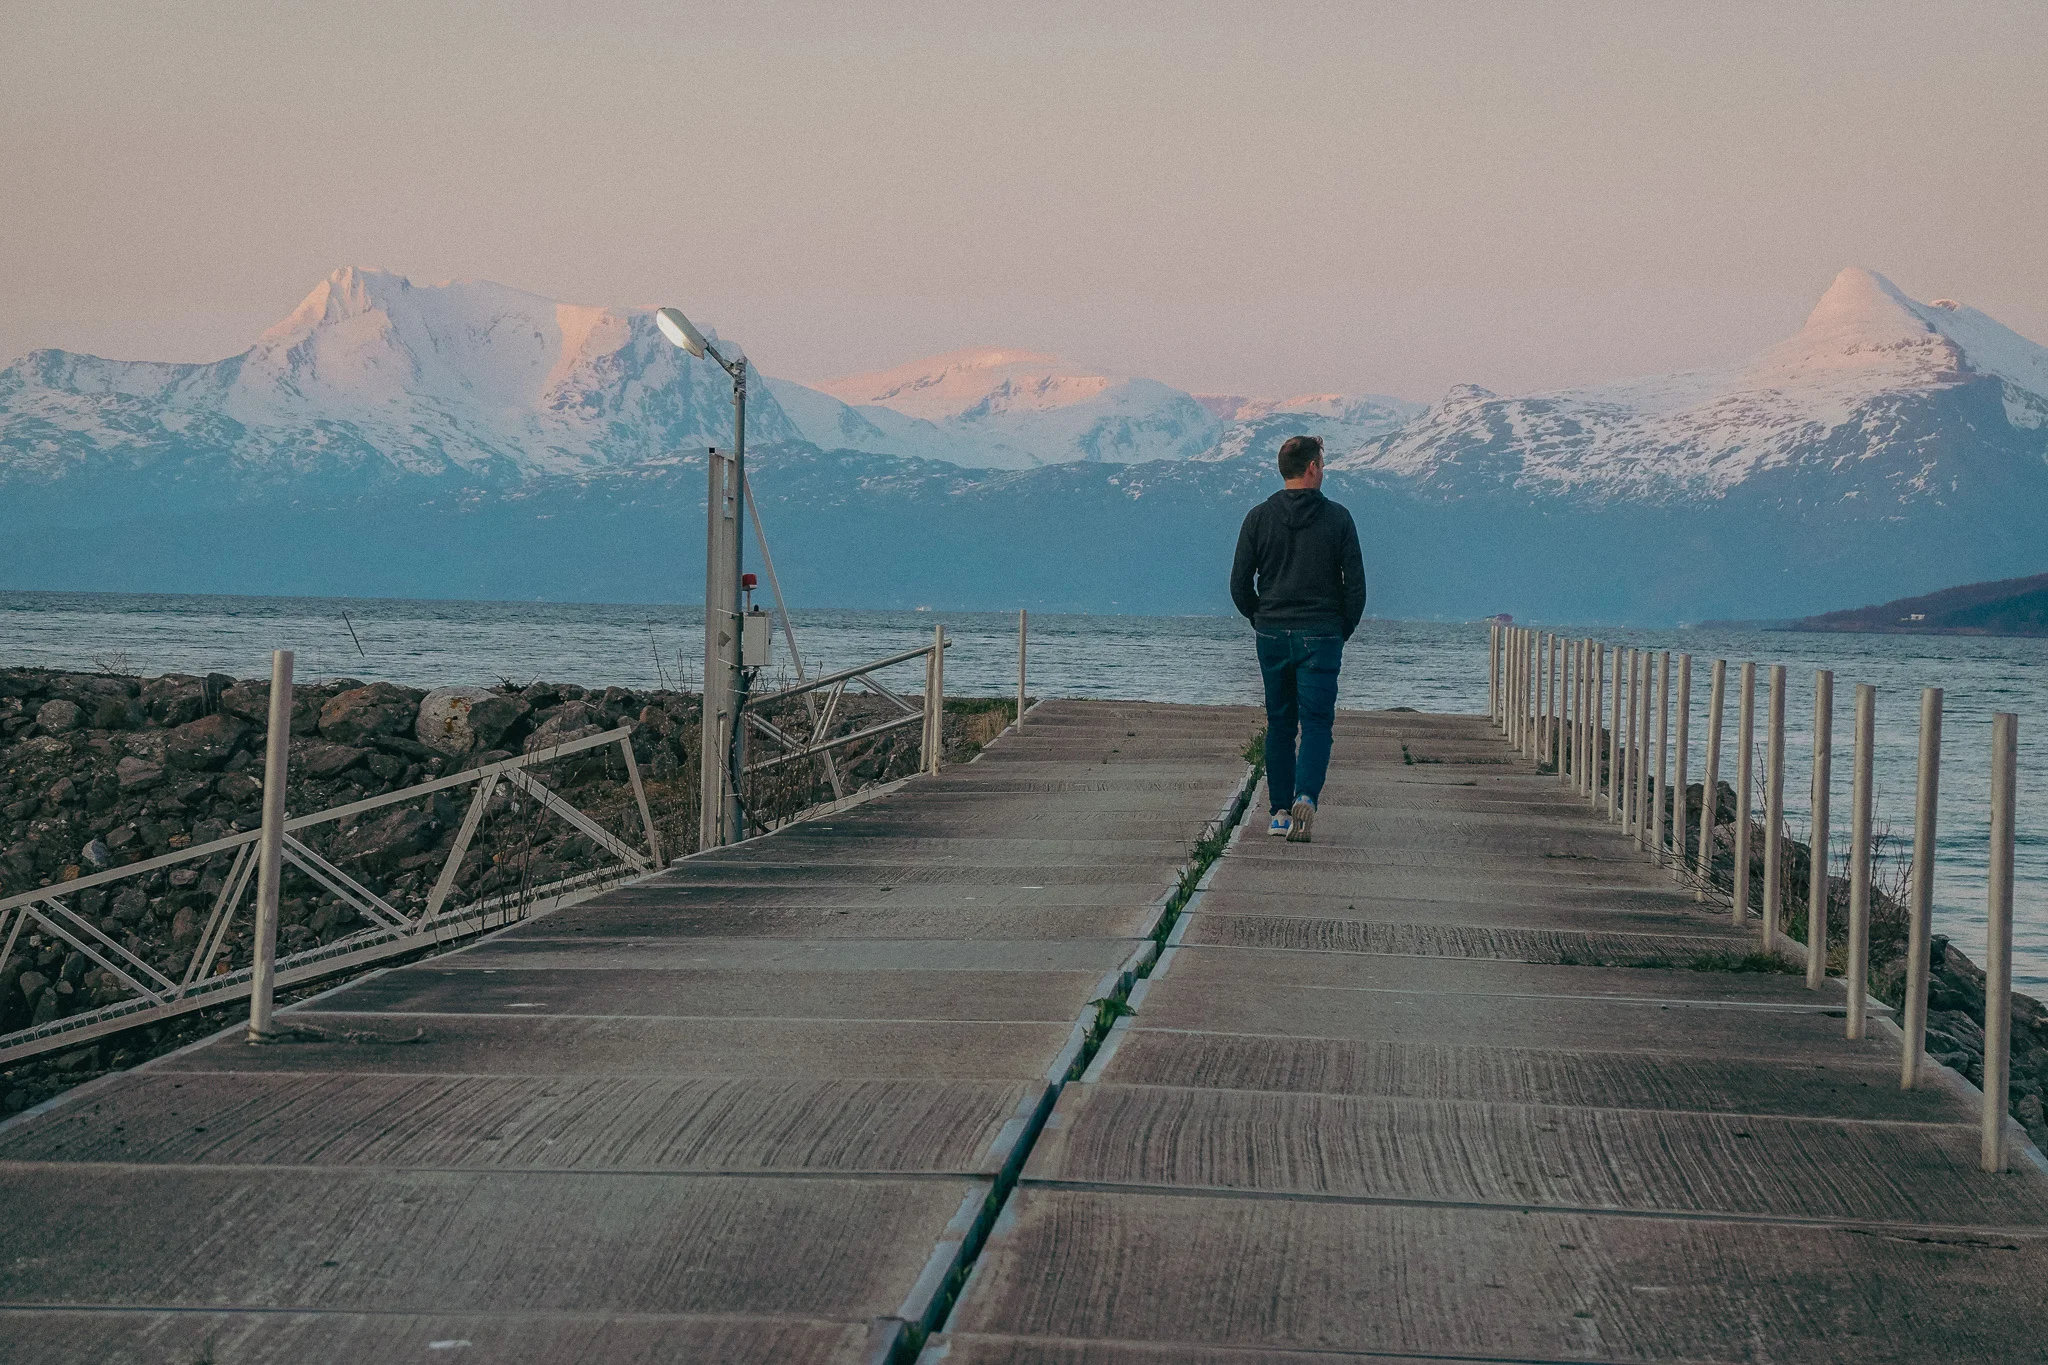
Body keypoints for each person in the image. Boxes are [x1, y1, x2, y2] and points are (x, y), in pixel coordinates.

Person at [1229, 434, 1366, 843]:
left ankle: (1280, 812)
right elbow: (1356, 588)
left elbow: (1239, 583)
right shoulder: (1339, 518)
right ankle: (1307, 794)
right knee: (1318, 723)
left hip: (1272, 632)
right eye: (1321, 465)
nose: (1322, 471)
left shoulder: (1258, 517)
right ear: (1311, 468)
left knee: (1280, 724)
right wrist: (1341, 630)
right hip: (1321, 633)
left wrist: (1261, 617)